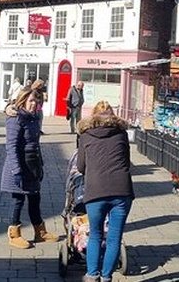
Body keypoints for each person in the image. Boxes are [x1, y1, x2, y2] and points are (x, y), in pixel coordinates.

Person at [77, 101, 134, 282]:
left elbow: (81, 166)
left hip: (95, 191)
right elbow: (126, 161)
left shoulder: (85, 135)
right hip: (121, 190)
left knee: (95, 235)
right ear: (113, 115)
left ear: (93, 115)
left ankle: (92, 275)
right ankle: (107, 277)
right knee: (114, 238)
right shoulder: (121, 134)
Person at [0, 89, 58, 248]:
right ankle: (14, 234)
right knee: (18, 200)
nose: (34, 104)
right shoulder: (16, 119)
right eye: (31, 101)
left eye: (36, 101)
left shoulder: (33, 118)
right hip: (19, 165)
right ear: (23, 100)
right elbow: (11, 146)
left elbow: (35, 145)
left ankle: (40, 232)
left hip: (32, 165)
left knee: (35, 198)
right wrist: (16, 170)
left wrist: (40, 165)